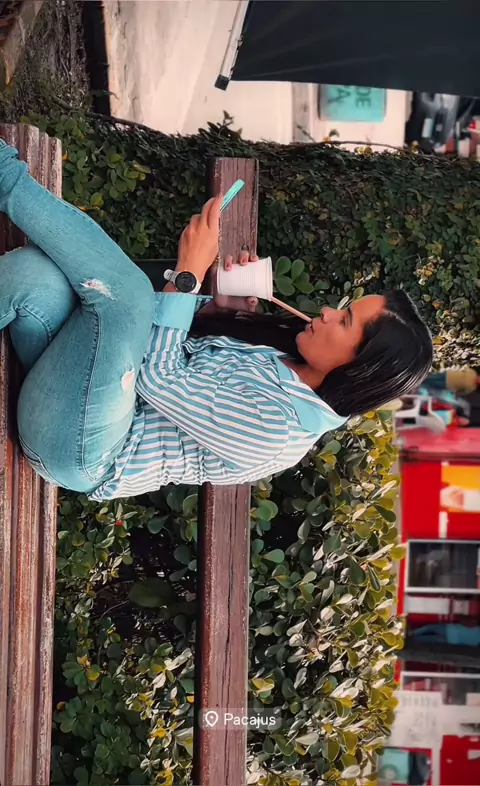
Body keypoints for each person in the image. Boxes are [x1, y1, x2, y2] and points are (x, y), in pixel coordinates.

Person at [0, 139, 433, 499]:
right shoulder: (286, 359)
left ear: (358, 368)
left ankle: (5, 173)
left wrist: (188, 274)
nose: (328, 311)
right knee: (34, 275)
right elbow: (163, 346)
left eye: (345, 321)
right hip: (74, 386)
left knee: (128, 297)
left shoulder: (278, 431)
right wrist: (218, 311)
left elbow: (155, 377)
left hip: (81, 448)